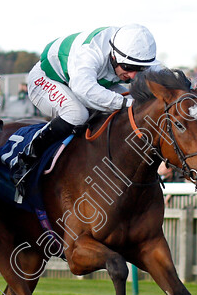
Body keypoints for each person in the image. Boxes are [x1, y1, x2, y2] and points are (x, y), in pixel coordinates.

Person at [12, 24, 164, 184]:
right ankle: (27, 158)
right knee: (77, 114)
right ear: (113, 56)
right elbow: (84, 90)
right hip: (48, 79)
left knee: (140, 109)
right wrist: (126, 102)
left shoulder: (135, 52)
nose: (133, 75)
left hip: (92, 81)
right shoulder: (91, 52)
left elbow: (166, 81)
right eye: (128, 67)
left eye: (139, 69)